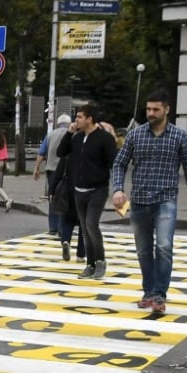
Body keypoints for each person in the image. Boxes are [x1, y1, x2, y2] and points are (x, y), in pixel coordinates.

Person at [112, 89, 187, 315]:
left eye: (155, 109)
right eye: (148, 109)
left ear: (167, 109)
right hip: (139, 201)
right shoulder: (135, 135)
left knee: (163, 246)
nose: (151, 113)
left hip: (166, 200)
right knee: (143, 251)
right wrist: (118, 189)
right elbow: (119, 163)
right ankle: (149, 292)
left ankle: (160, 295)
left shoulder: (180, 137)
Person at [56, 103, 117, 279]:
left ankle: (100, 261)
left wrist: (117, 189)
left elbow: (114, 162)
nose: (76, 120)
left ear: (89, 119)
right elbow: (61, 152)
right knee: (84, 228)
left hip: (97, 189)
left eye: (79, 117)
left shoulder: (104, 139)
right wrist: (69, 133)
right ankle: (89, 264)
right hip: (78, 189)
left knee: (91, 224)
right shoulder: (76, 137)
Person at [33, 113, 72, 235]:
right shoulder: (72, 134)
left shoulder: (50, 135)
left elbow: (41, 153)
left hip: (51, 170)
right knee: (65, 198)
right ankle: (62, 227)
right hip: (67, 170)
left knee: (53, 196)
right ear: (69, 124)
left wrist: (36, 168)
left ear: (58, 123)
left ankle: (52, 227)